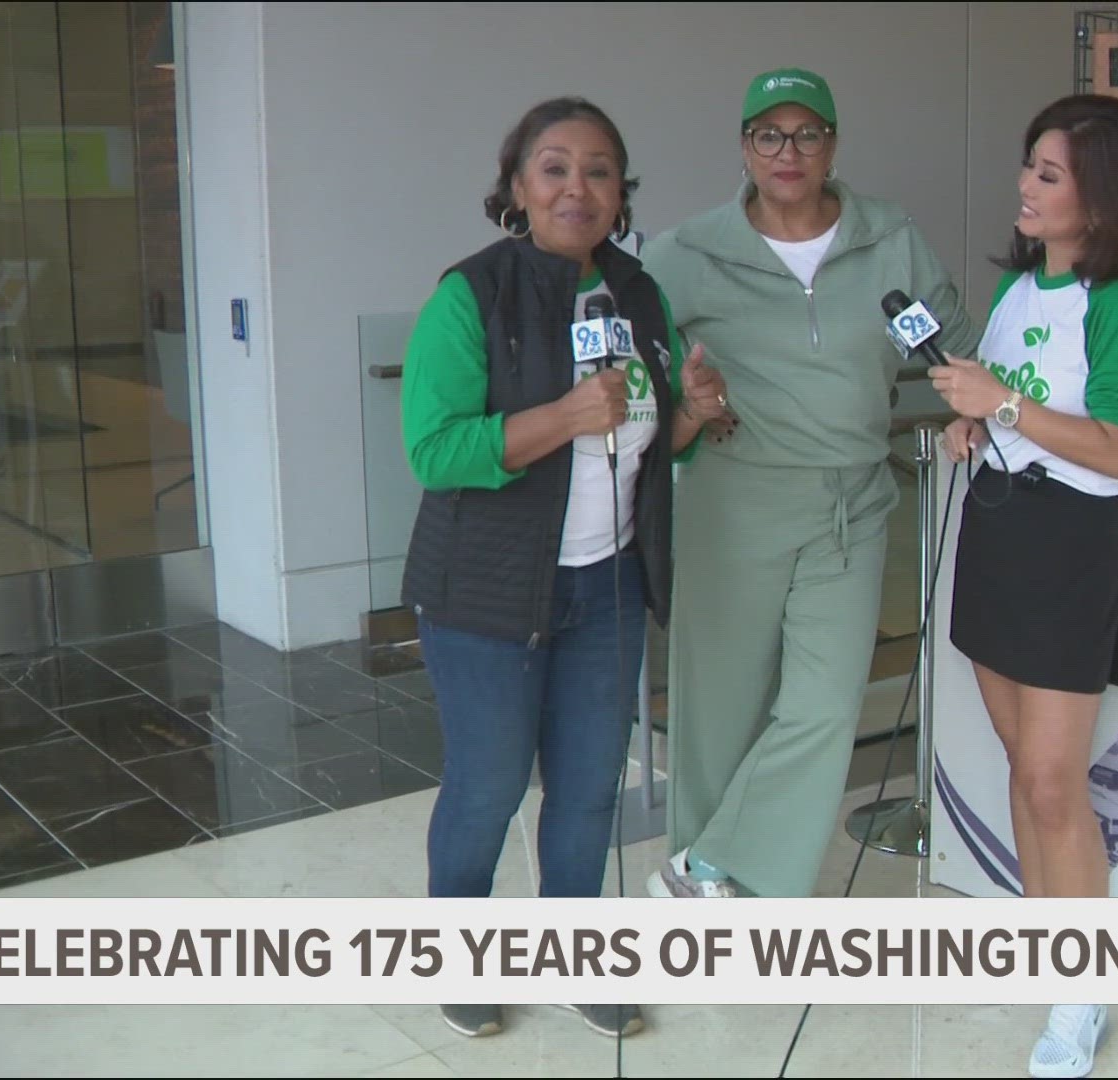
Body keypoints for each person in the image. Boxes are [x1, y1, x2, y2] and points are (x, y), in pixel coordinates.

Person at [398, 96, 729, 1041]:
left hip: (608, 582)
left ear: (622, 192)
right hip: (485, 594)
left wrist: (692, 416)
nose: (577, 187)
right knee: (489, 784)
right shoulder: (469, 296)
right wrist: (563, 419)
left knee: (588, 786)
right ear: (516, 187)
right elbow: (436, 451)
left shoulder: (639, 295)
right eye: (554, 167)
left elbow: (648, 447)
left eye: (599, 170)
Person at [638, 68, 980, 900]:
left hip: (854, 502)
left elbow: (953, 342)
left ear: (833, 144)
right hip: (733, 499)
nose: (788, 152)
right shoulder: (683, 255)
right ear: (744, 147)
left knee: (826, 705)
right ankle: (720, 880)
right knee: (719, 708)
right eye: (769, 134)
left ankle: (712, 864)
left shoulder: (889, 239)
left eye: (808, 134)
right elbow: (640, 381)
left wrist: (976, 405)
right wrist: (689, 405)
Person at [926, 93, 1118, 1079]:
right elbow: (1007, 405)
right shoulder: (1024, 287)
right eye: (1027, 167)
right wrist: (974, 424)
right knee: (1014, 759)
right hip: (997, 532)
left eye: (1048, 174)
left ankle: (1084, 994)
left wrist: (1009, 406)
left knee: (1050, 779)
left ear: (1104, 196)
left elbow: (1114, 451)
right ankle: (1050, 950)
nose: (1024, 188)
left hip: (1069, 548)